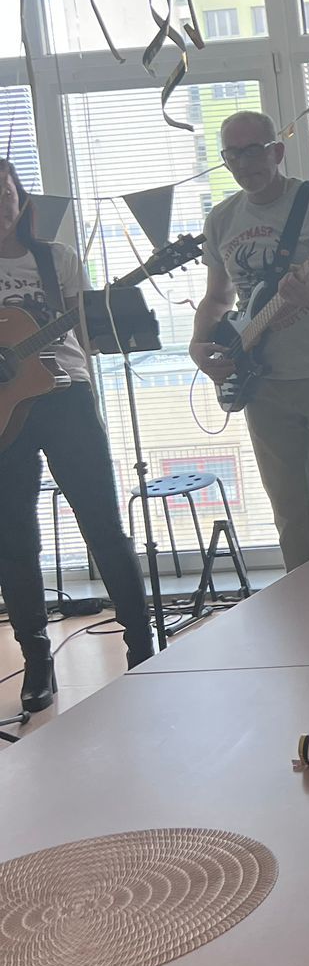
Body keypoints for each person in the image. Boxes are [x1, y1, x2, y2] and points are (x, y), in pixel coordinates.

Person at [191, 112, 309, 571]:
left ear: (277, 151)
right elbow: (218, 298)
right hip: (261, 383)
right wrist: (198, 344)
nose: (244, 163)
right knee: (291, 514)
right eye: (233, 154)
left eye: (253, 150)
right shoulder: (221, 219)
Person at [0, 159, 153, 708]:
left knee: (103, 525)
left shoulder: (56, 258)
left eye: (4, 192)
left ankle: (142, 647)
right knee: (14, 539)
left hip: (67, 398)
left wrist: (104, 317)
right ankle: (37, 659)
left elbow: (83, 331)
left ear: (21, 199)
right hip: (4, 412)